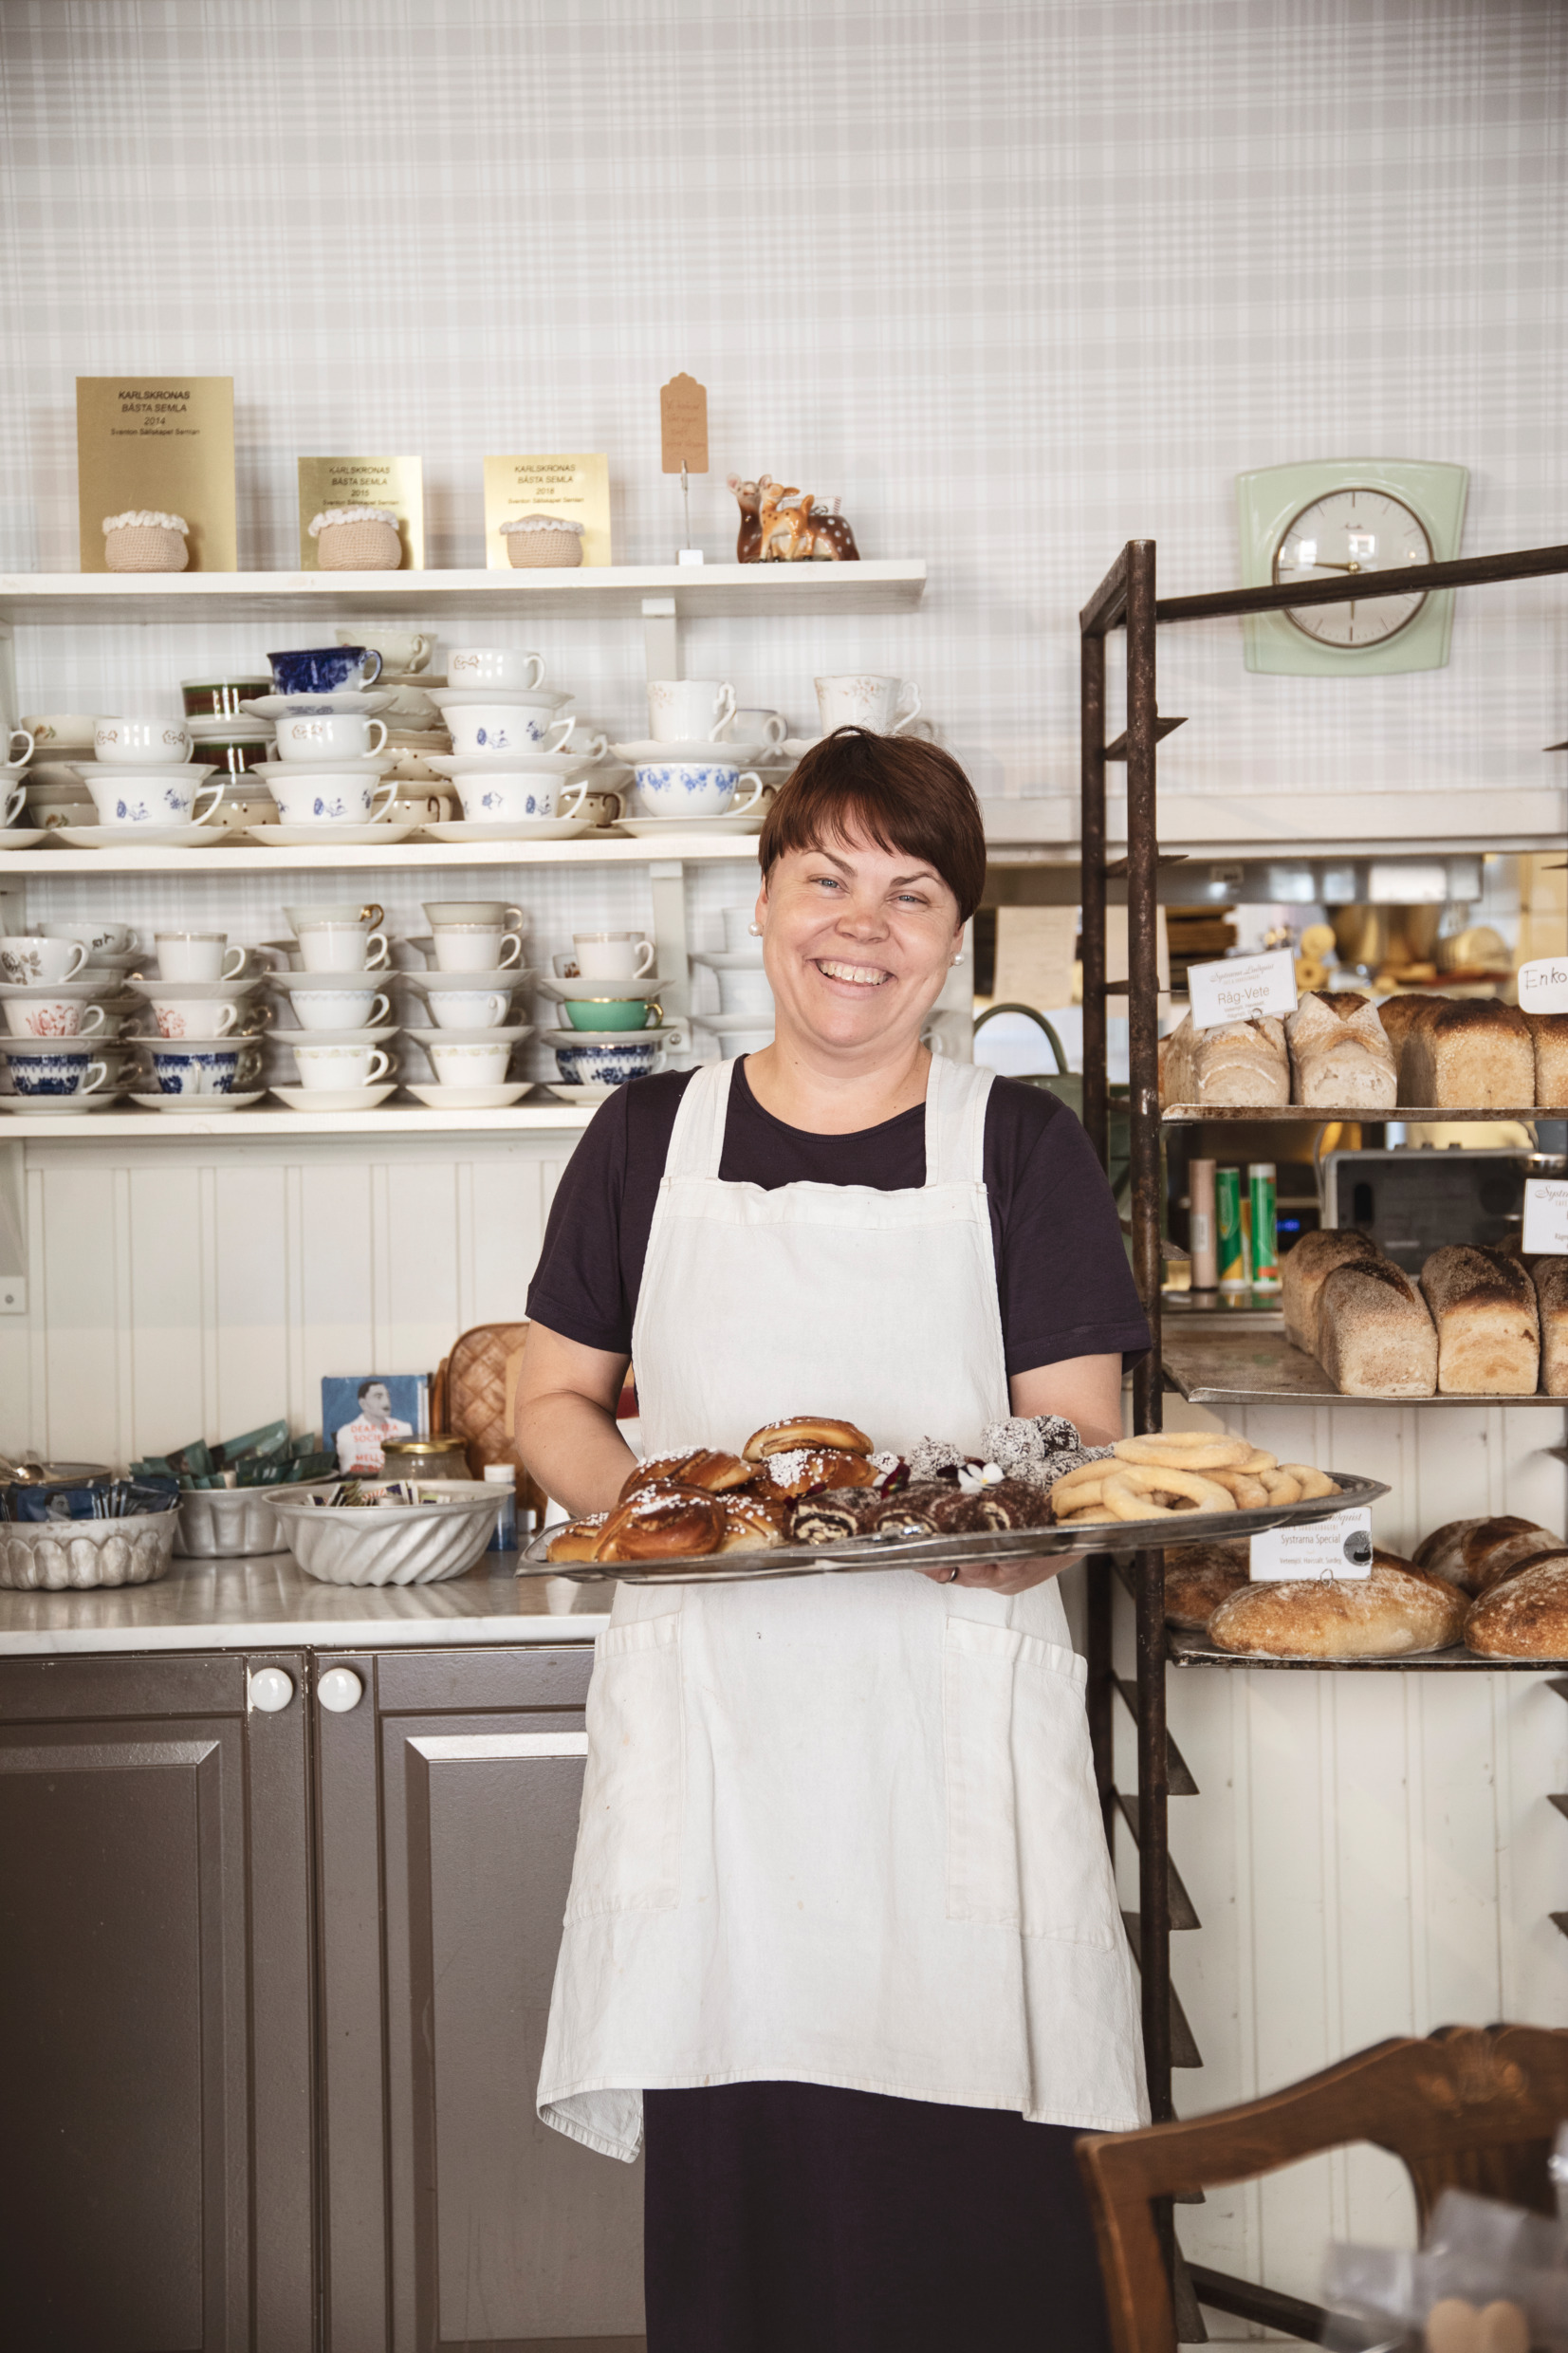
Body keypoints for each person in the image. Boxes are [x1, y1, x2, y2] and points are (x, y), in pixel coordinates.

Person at [517, 727, 1150, 2353]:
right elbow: (551, 1407)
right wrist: (666, 1516)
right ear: (762, 900)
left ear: (952, 939)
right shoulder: (644, 1137)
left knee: (970, 2217)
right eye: (826, 879)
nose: (859, 925)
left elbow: (1075, 1430)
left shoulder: (1021, 1147)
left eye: (909, 891)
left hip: (936, 1739)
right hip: (723, 1755)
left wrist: (1033, 1537)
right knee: (749, 2235)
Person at [332, 1379, 413, 1474]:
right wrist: (384, 1472)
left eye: (387, 1396)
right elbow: (349, 1468)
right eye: (378, 1397)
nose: (386, 1402)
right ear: (363, 1404)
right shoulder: (347, 1432)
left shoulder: (404, 1428)